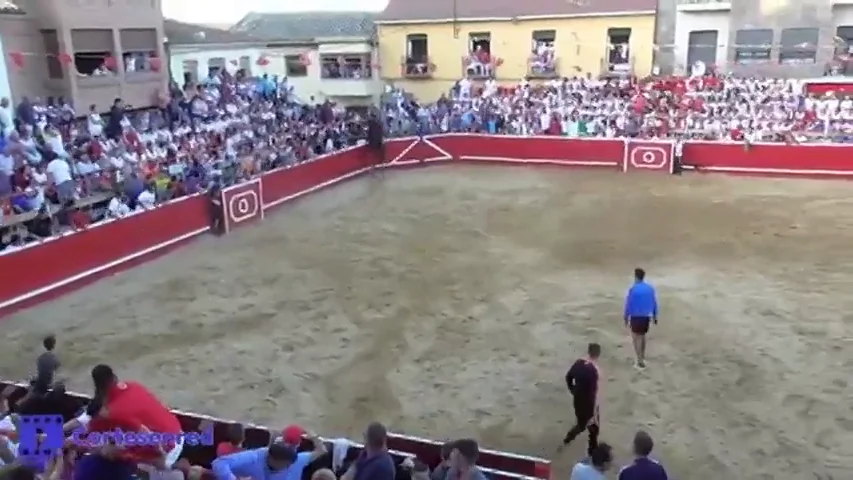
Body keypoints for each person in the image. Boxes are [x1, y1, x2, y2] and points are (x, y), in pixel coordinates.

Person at [74, 364, 184, 480]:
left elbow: (146, 434)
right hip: (177, 430)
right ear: (114, 377)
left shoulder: (114, 414)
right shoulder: (133, 385)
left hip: (168, 449)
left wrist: (161, 459)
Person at [212, 437, 326, 480]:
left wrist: (314, 438)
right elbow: (219, 463)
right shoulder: (254, 457)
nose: (289, 467)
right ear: (272, 459)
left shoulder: (297, 460)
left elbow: (321, 451)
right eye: (285, 465)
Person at [561, 343, 601, 455]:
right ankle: (591, 449)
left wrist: (572, 390)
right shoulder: (594, 371)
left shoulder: (579, 363)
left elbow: (568, 377)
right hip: (588, 403)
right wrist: (594, 410)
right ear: (598, 354)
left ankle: (591, 447)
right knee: (589, 426)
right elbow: (593, 392)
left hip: (577, 399)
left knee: (584, 424)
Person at [623, 267, 658, 368]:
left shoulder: (633, 289)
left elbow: (628, 304)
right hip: (646, 316)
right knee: (642, 336)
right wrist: (655, 315)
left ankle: (639, 360)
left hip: (635, 316)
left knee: (635, 337)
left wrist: (626, 317)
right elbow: (654, 303)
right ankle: (642, 356)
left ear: (636, 276)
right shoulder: (650, 288)